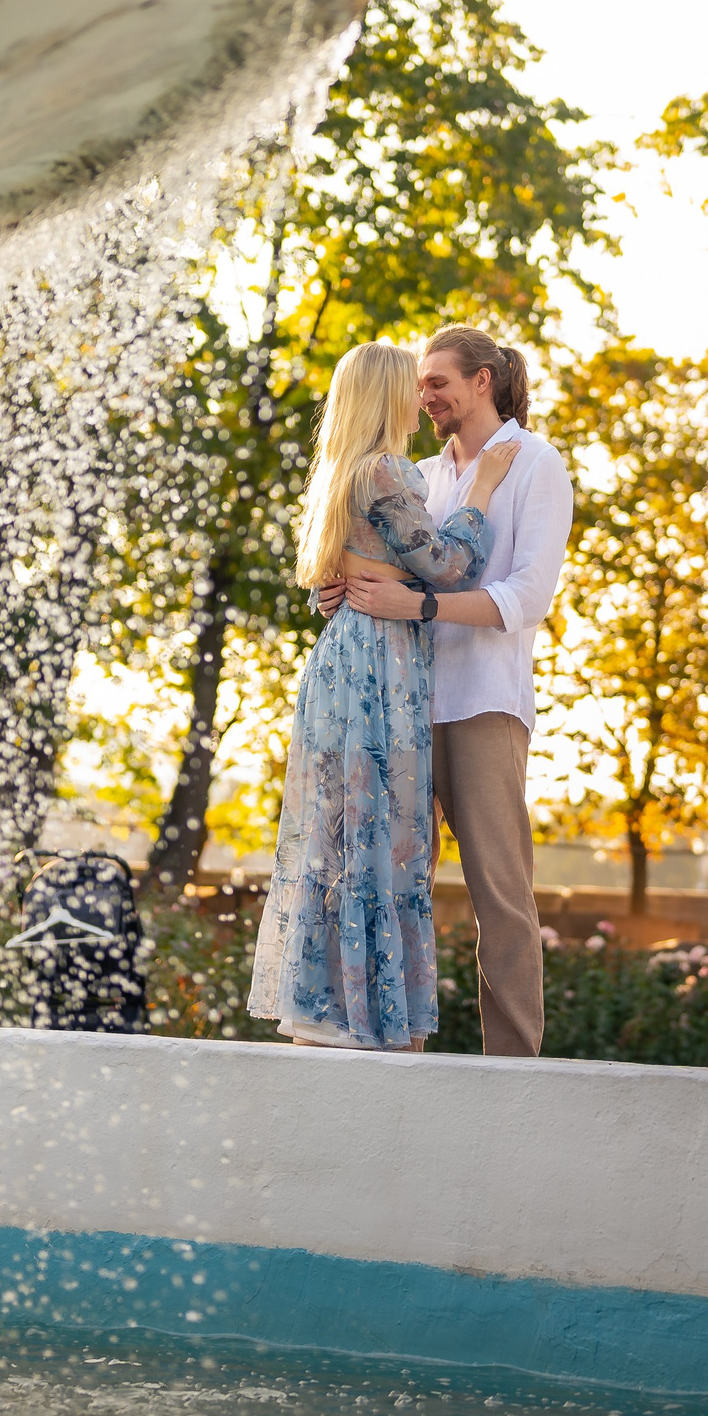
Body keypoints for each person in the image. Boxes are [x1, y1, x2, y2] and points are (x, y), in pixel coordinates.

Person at [248, 341, 518, 1050]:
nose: (422, 399)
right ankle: (372, 1023)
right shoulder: (387, 470)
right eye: (412, 386)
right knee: (388, 835)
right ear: (387, 396)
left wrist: (338, 592)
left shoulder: (337, 472)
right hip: (380, 666)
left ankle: (323, 1010)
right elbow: (449, 565)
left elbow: (333, 579)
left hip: (339, 663)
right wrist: (483, 489)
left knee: (339, 831)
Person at [326, 327, 572, 1057]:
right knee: (394, 879)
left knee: (500, 894)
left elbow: (528, 596)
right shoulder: (420, 472)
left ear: (482, 381)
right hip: (401, 699)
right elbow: (401, 567)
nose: (423, 394)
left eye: (437, 381)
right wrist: (345, 588)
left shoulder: (536, 464)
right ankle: (393, 1057)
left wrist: (420, 606)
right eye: (419, 383)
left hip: (482, 703)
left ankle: (515, 1069)